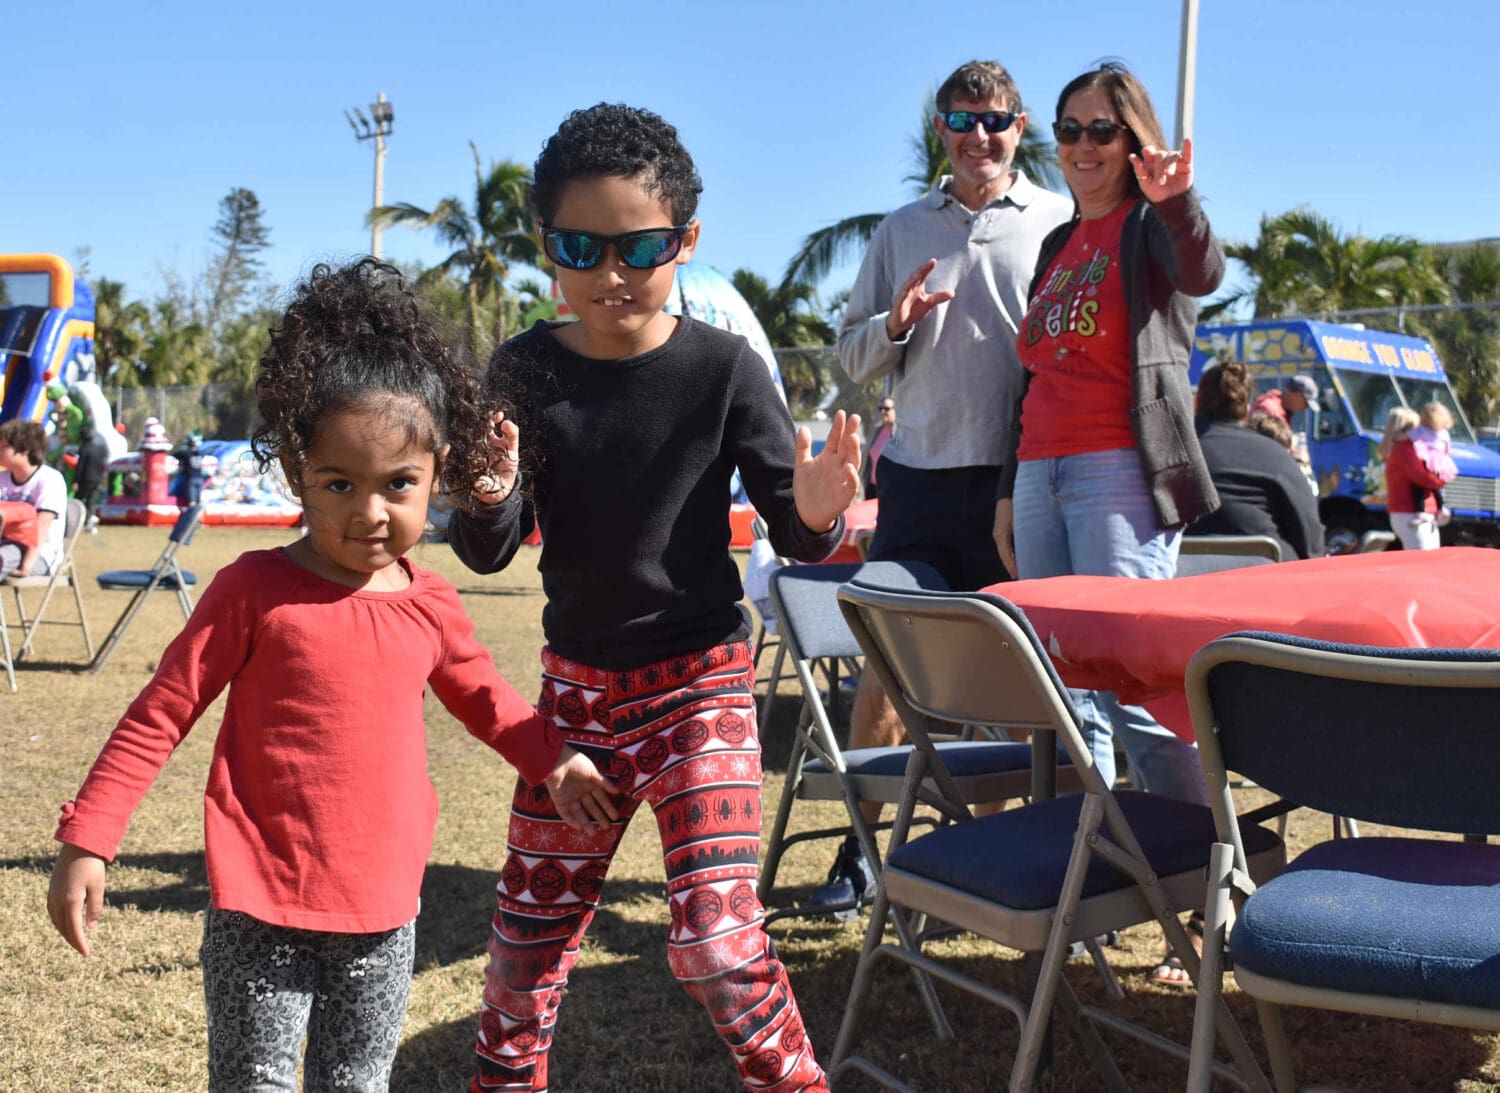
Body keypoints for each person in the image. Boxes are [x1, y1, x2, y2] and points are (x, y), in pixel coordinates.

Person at [46, 258, 613, 1093]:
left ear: (439, 472)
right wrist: (88, 836)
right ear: (293, 472)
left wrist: (554, 758)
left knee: (358, 1080)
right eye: (338, 482)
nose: (368, 512)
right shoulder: (251, 590)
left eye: (399, 485)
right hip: (256, 907)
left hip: (385, 911)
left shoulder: (432, 602)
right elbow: (158, 713)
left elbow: (489, 703)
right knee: (257, 1083)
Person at [447, 103, 855, 1093]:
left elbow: (796, 531)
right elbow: (490, 548)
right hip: (575, 700)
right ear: (546, 243)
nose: (613, 273)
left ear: (688, 240)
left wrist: (816, 512)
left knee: (718, 945)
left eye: (642, 245)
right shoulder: (525, 370)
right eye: (582, 247)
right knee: (521, 953)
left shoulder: (725, 371)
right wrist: (490, 493)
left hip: (699, 692)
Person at [819, 59, 1073, 913]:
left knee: (1012, 684)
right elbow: (848, 355)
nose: (979, 138)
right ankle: (861, 853)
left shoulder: (1060, 219)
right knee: (887, 667)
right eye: (961, 121)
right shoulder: (899, 230)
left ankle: (988, 851)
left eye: (994, 120)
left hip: (1019, 485)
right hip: (920, 485)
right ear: (941, 129)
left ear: (1021, 125)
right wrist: (893, 323)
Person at [992, 61, 1224, 983]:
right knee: (1062, 692)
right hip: (1043, 473)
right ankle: (1091, 887)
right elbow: (1035, 372)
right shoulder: (1059, 244)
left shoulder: (1148, 228)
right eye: (1072, 129)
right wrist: (1012, 485)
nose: (1084, 147)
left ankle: (1211, 886)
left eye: (1103, 130)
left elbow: (1203, 267)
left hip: (1118, 472)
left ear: (1134, 141)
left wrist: (1180, 201)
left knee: (1136, 687)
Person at [1188, 362, 1324, 560]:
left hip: (1182, 580)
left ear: (1197, 402)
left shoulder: (1165, 453)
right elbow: (1312, 542)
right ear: (1246, 407)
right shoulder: (1276, 456)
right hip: (1265, 581)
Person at [0, 418, 68, 577]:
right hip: (6, 546)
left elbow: (42, 526)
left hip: (39, 555)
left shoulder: (49, 479)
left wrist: (26, 567)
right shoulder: (2, 478)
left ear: (25, 450)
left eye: (4, 446)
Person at [1381, 405, 1447, 550]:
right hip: (1410, 511)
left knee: (1426, 559)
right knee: (1422, 561)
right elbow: (1420, 475)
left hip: (1414, 512)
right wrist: (1441, 480)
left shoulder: (1399, 449)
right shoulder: (1404, 449)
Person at [862, 397, 896, 499]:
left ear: (896, 410)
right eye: (880, 408)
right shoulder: (876, 431)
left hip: (890, 489)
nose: (882, 411)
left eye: (886, 408)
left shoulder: (900, 434)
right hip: (872, 487)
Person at [172, 429, 208, 507]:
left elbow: (175, 455)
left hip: (191, 478)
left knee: (192, 501)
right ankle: (198, 517)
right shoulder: (201, 454)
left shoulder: (186, 453)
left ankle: (191, 517)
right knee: (198, 501)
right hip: (200, 478)